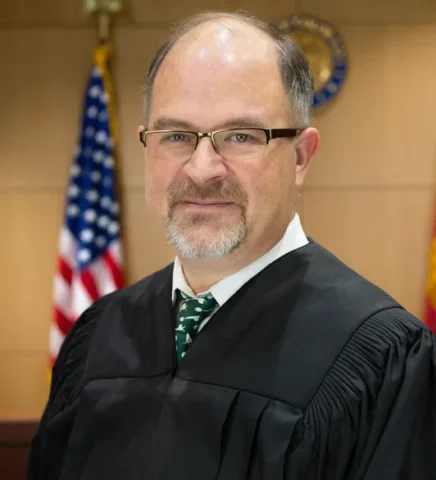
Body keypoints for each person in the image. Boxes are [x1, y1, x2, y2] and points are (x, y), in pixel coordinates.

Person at [28, 11, 436, 480]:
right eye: (176, 135)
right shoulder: (97, 334)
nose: (202, 169)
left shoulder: (381, 360)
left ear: (300, 157)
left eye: (241, 136)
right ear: (146, 148)